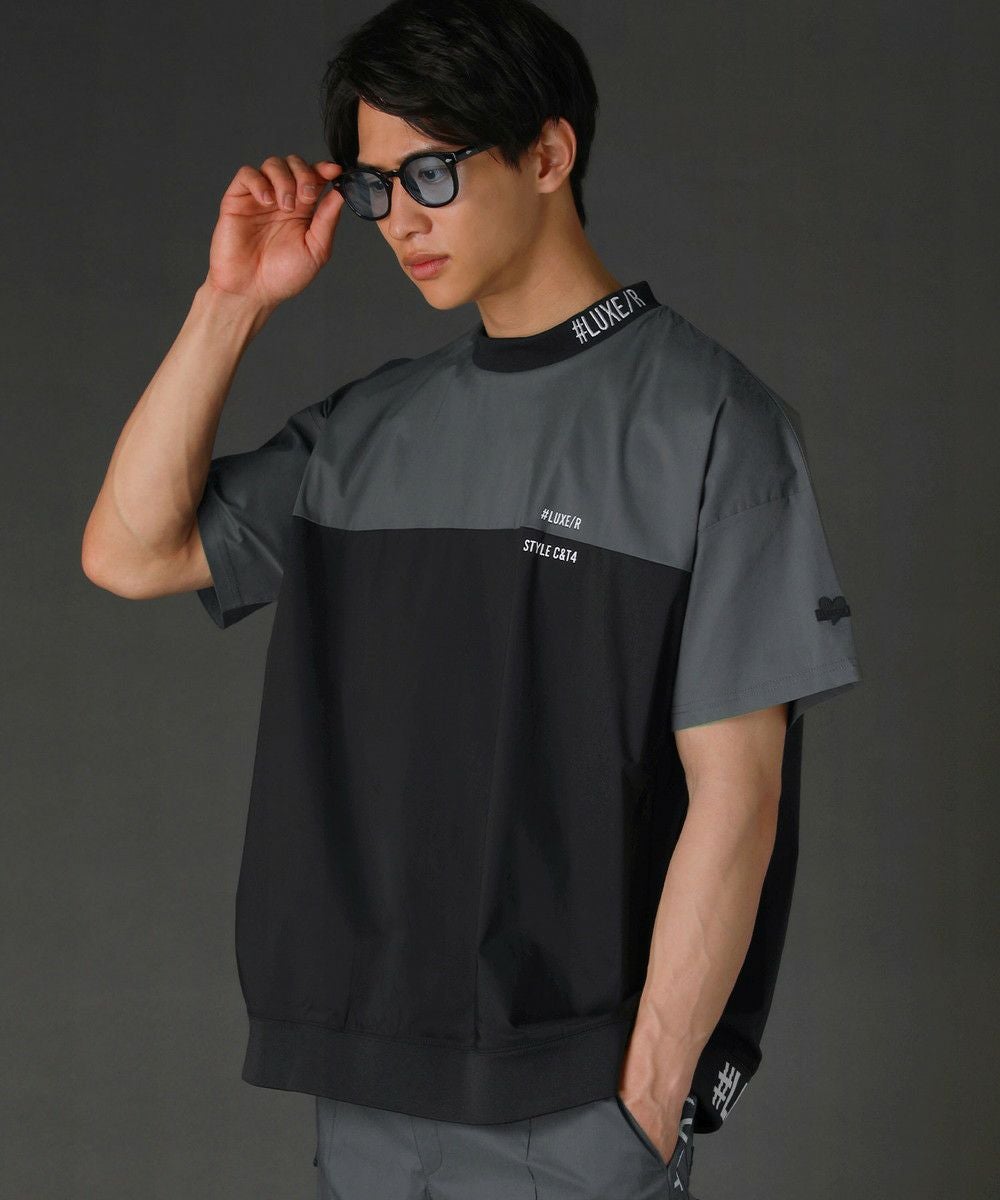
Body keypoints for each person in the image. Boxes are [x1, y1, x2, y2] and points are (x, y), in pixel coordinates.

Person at [81, 1, 863, 1196]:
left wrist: (648, 1096)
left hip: (573, 1104)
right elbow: (132, 552)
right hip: (366, 1092)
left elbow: (736, 796)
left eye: (431, 174)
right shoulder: (371, 427)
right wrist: (230, 302)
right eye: (374, 188)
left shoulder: (708, 422)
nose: (400, 219)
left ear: (547, 154)